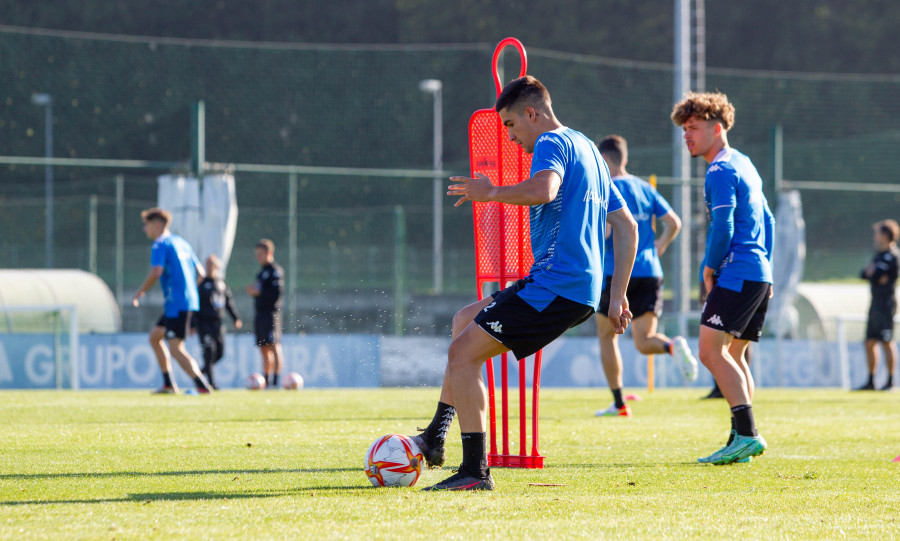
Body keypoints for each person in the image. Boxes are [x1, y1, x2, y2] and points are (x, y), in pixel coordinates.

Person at [411, 75, 638, 491]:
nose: (511, 137)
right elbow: (627, 227)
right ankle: (434, 437)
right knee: (464, 321)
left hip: (557, 286)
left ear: (531, 113)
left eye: (511, 125)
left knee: (462, 354)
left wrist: (492, 191)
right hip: (570, 287)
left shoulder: (552, 143)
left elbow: (544, 190)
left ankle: (475, 472)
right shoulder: (589, 148)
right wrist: (617, 296)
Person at [671, 92, 775, 465]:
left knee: (709, 351)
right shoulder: (744, 163)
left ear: (717, 129)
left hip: (737, 272)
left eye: (694, 128)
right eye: (684, 129)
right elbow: (770, 221)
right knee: (735, 353)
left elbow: (723, 226)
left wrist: (708, 268)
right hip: (759, 272)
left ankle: (747, 434)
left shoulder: (720, 170)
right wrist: (768, 269)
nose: (687, 136)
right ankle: (740, 437)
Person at [592, 135, 698, 417]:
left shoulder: (606, 189)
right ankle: (672, 345)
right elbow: (674, 222)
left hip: (616, 273)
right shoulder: (644, 188)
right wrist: (660, 245)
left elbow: (604, 233)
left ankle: (618, 403)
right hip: (650, 271)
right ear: (624, 159)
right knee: (644, 340)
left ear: (604, 161)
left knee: (607, 337)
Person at [131, 207, 213, 394]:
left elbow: (156, 271)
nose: (145, 229)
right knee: (155, 337)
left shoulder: (160, 244)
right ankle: (168, 384)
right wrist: (187, 288)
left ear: (158, 225)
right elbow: (200, 273)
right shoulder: (181, 242)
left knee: (176, 348)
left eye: (147, 225)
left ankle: (202, 385)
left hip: (176, 303)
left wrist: (140, 292)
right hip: (185, 301)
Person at [856, 219, 899, 391]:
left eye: (877, 232)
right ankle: (871, 381)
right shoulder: (879, 255)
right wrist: (873, 274)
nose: (875, 236)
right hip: (874, 304)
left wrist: (873, 274)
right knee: (869, 342)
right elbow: (865, 274)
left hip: (886, 304)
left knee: (886, 342)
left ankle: (890, 382)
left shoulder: (893, 255)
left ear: (886, 234)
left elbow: (879, 275)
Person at [194, 254, 242, 389]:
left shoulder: (221, 284)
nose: (209, 267)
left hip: (218, 324)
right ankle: (211, 383)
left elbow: (228, 302)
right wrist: (193, 324)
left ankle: (200, 372)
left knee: (220, 353)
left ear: (217, 267)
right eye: (207, 264)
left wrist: (235, 318)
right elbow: (195, 305)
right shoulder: (201, 284)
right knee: (209, 352)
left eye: (212, 264)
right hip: (204, 323)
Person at [246, 239, 284, 389]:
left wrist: (258, 292)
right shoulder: (261, 273)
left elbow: (276, 294)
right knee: (263, 347)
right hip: (260, 314)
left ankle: (276, 381)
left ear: (269, 253)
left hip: (271, 314)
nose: (258, 257)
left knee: (274, 346)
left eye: (260, 254)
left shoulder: (275, 271)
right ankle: (267, 380)